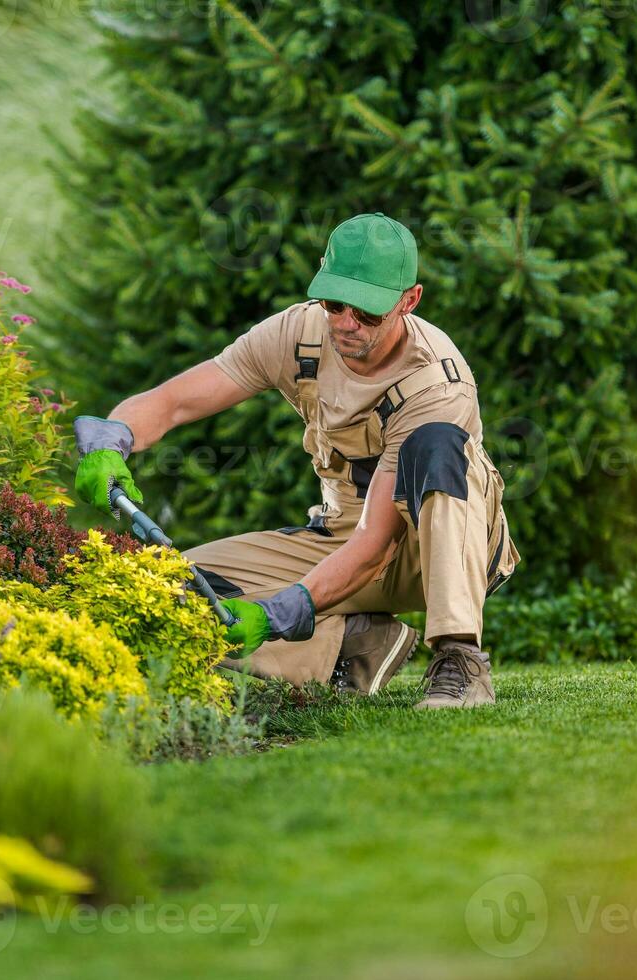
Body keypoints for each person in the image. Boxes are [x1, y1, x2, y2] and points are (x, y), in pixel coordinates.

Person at [73, 213, 520, 708]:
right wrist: (112, 440)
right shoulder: (299, 333)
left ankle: (460, 659)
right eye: (335, 303)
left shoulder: (437, 383)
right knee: (169, 591)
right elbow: (177, 400)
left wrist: (275, 614)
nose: (347, 323)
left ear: (408, 300)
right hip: (340, 537)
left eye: (368, 312)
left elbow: (376, 545)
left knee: (436, 445)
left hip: (431, 548)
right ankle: (353, 645)